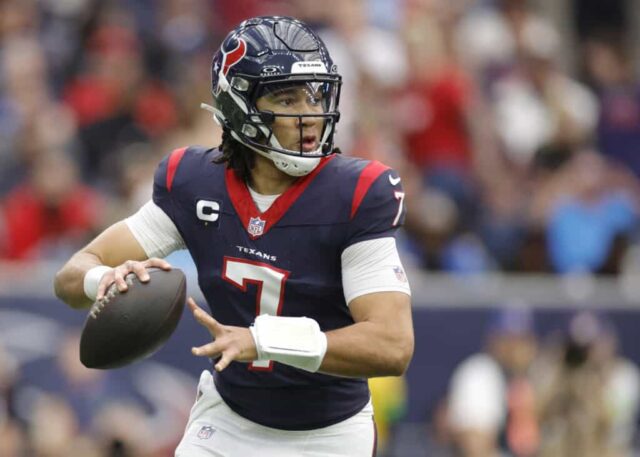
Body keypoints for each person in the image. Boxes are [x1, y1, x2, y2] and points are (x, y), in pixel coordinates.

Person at [54, 16, 414, 457]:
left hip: (327, 433)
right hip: (227, 420)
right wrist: (103, 280)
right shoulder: (193, 183)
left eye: (314, 93)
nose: (309, 115)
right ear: (240, 107)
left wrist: (262, 340)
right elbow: (71, 277)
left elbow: (393, 344)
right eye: (287, 97)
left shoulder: (356, 192)